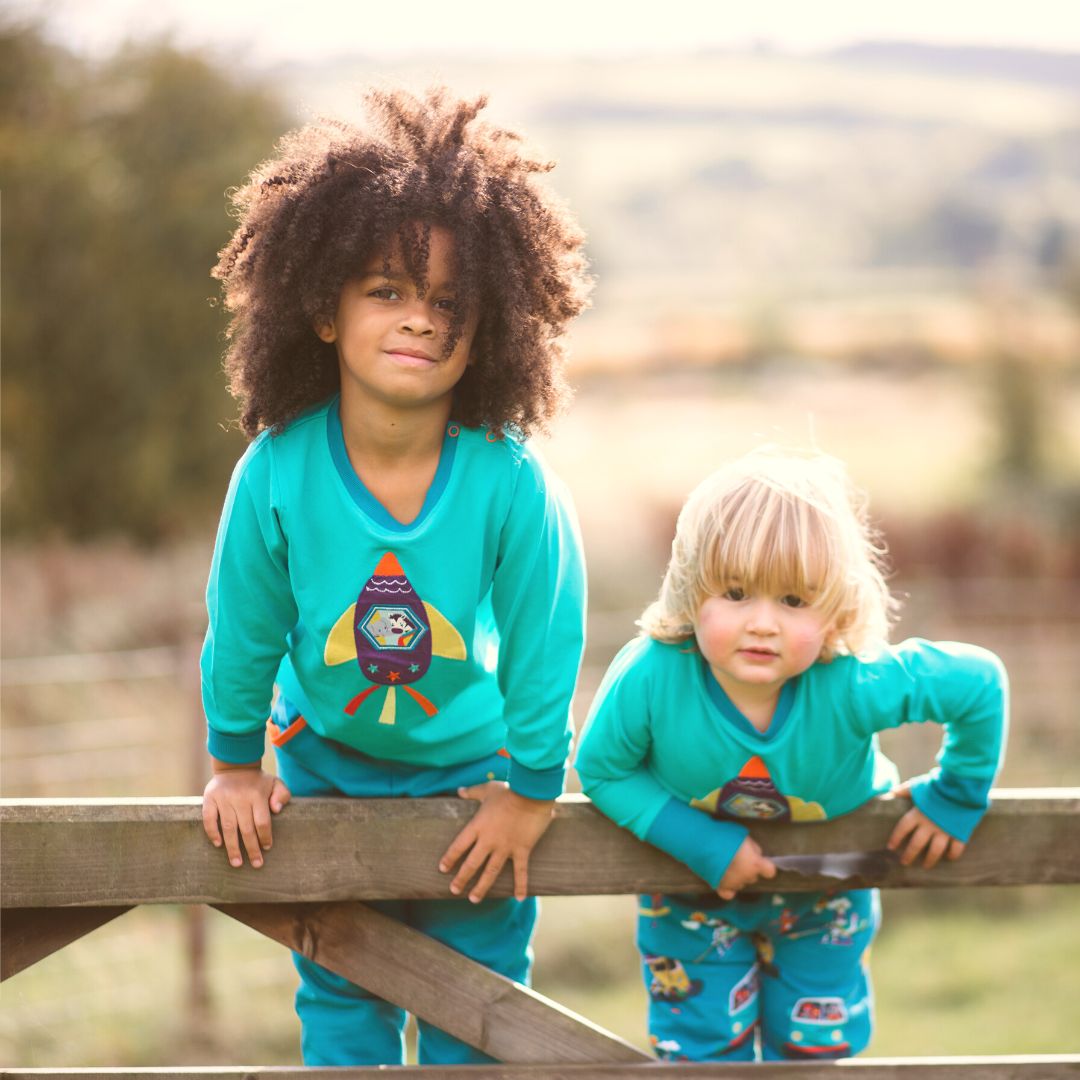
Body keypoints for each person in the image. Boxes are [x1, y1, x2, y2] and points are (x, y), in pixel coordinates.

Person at [199, 87, 591, 1066]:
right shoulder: (277, 472)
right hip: (323, 766)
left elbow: (548, 636)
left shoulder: (510, 478)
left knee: (478, 1013)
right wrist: (235, 764)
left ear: (490, 327)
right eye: (386, 291)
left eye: (449, 302)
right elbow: (242, 628)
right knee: (341, 998)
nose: (419, 318)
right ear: (323, 310)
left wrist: (533, 792)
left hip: (473, 784)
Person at [575, 446, 1008, 1062]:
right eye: (735, 592)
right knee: (701, 1055)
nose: (762, 623)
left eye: (794, 602)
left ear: (834, 612)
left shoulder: (854, 684)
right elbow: (602, 768)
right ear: (692, 588)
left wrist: (957, 795)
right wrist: (703, 844)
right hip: (694, 893)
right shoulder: (653, 678)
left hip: (826, 897)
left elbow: (979, 683)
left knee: (816, 1055)